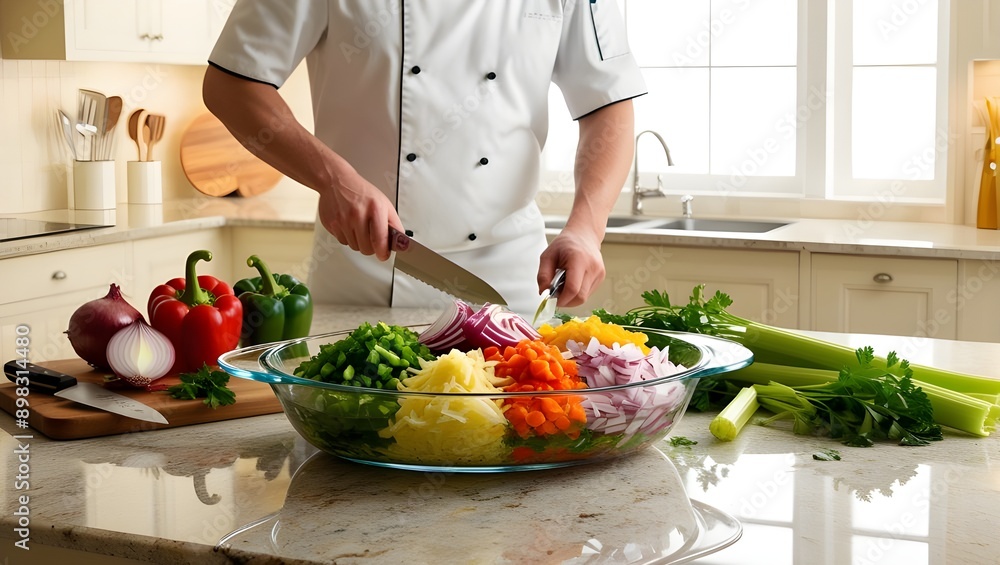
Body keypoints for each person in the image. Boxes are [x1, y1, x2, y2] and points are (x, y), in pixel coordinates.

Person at [203, 1, 646, 317]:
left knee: (515, 436)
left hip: (513, 281)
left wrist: (587, 230)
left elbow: (607, 106)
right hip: (366, 274)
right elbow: (233, 85)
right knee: (355, 435)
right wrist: (335, 181)